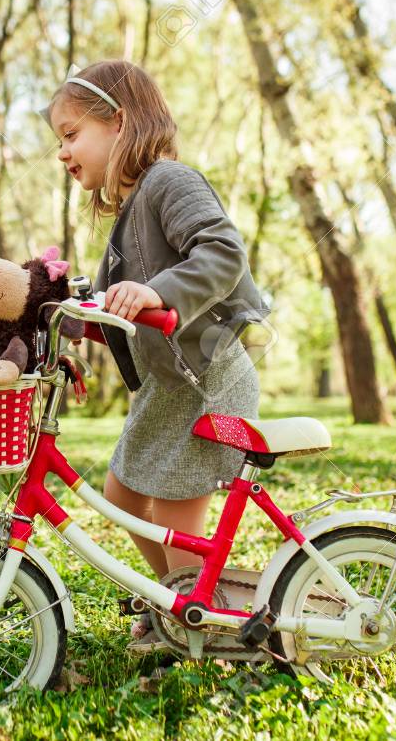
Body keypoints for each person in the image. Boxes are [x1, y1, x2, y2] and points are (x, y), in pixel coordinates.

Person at [41, 60, 271, 652]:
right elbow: (136, 318)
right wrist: (87, 323)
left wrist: (158, 290)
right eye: (58, 141)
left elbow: (222, 254)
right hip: (170, 387)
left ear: (120, 123)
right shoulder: (128, 216)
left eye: (71, 135)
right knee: (120, 496)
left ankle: (195, 612)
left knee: (172, 514)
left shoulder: (171, 181)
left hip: (208, 379)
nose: (63, 153)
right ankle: (177, 593)